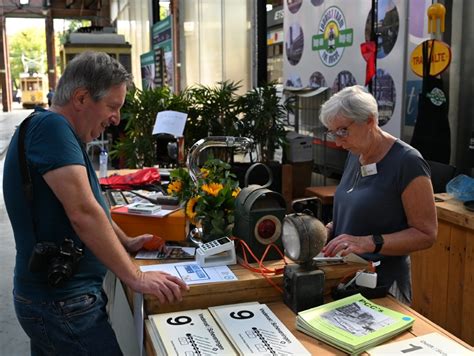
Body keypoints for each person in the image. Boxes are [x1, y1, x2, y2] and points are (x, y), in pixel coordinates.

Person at [3, 51, 188, 355]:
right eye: (112, 106)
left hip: (56, 301)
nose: (116, 119)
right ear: (81, 98)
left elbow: (93, 204)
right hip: (62, 304)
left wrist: (126, 241)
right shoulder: (51, 128)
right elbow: (83, 213)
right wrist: (136, 276)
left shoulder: (59, 133)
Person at [320, 85, 437, 305]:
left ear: (370, 121)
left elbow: (426, 234)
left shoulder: (408, 162)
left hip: (383, 287)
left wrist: (370, 242)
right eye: (333, 132)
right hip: (345, 280)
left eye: (343, 131)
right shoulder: (355, 153)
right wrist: (329, 230)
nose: (337, 141)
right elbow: (364, 209)